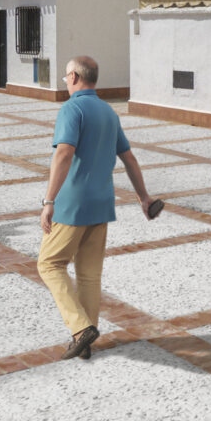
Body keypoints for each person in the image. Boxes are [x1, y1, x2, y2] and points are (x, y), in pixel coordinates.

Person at [37, 54, 160, 360]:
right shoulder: (108, 112)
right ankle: (85, 342)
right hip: (102, 202)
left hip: (73, 203)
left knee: (49, 264)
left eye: (67, 76)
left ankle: (80, 329)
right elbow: (128, 157)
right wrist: (144, 198)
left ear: (76, 77)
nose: (66, 81)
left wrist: (49, 200)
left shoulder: (72, 108)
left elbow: (64, 153)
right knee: (89, 275)